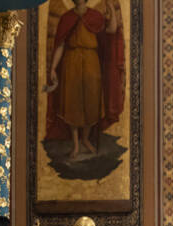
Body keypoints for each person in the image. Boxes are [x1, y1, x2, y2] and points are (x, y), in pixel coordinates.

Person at [47, 0, 125, 158]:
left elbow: (111, 29)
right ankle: (76, 144)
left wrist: (110, 6)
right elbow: (61, 45)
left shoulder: (95, 16)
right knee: (72, 104)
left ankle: (85, 139)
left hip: (91, 61)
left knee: (91, 101)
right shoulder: (66, 18)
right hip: (71, 61)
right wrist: (53, 67)